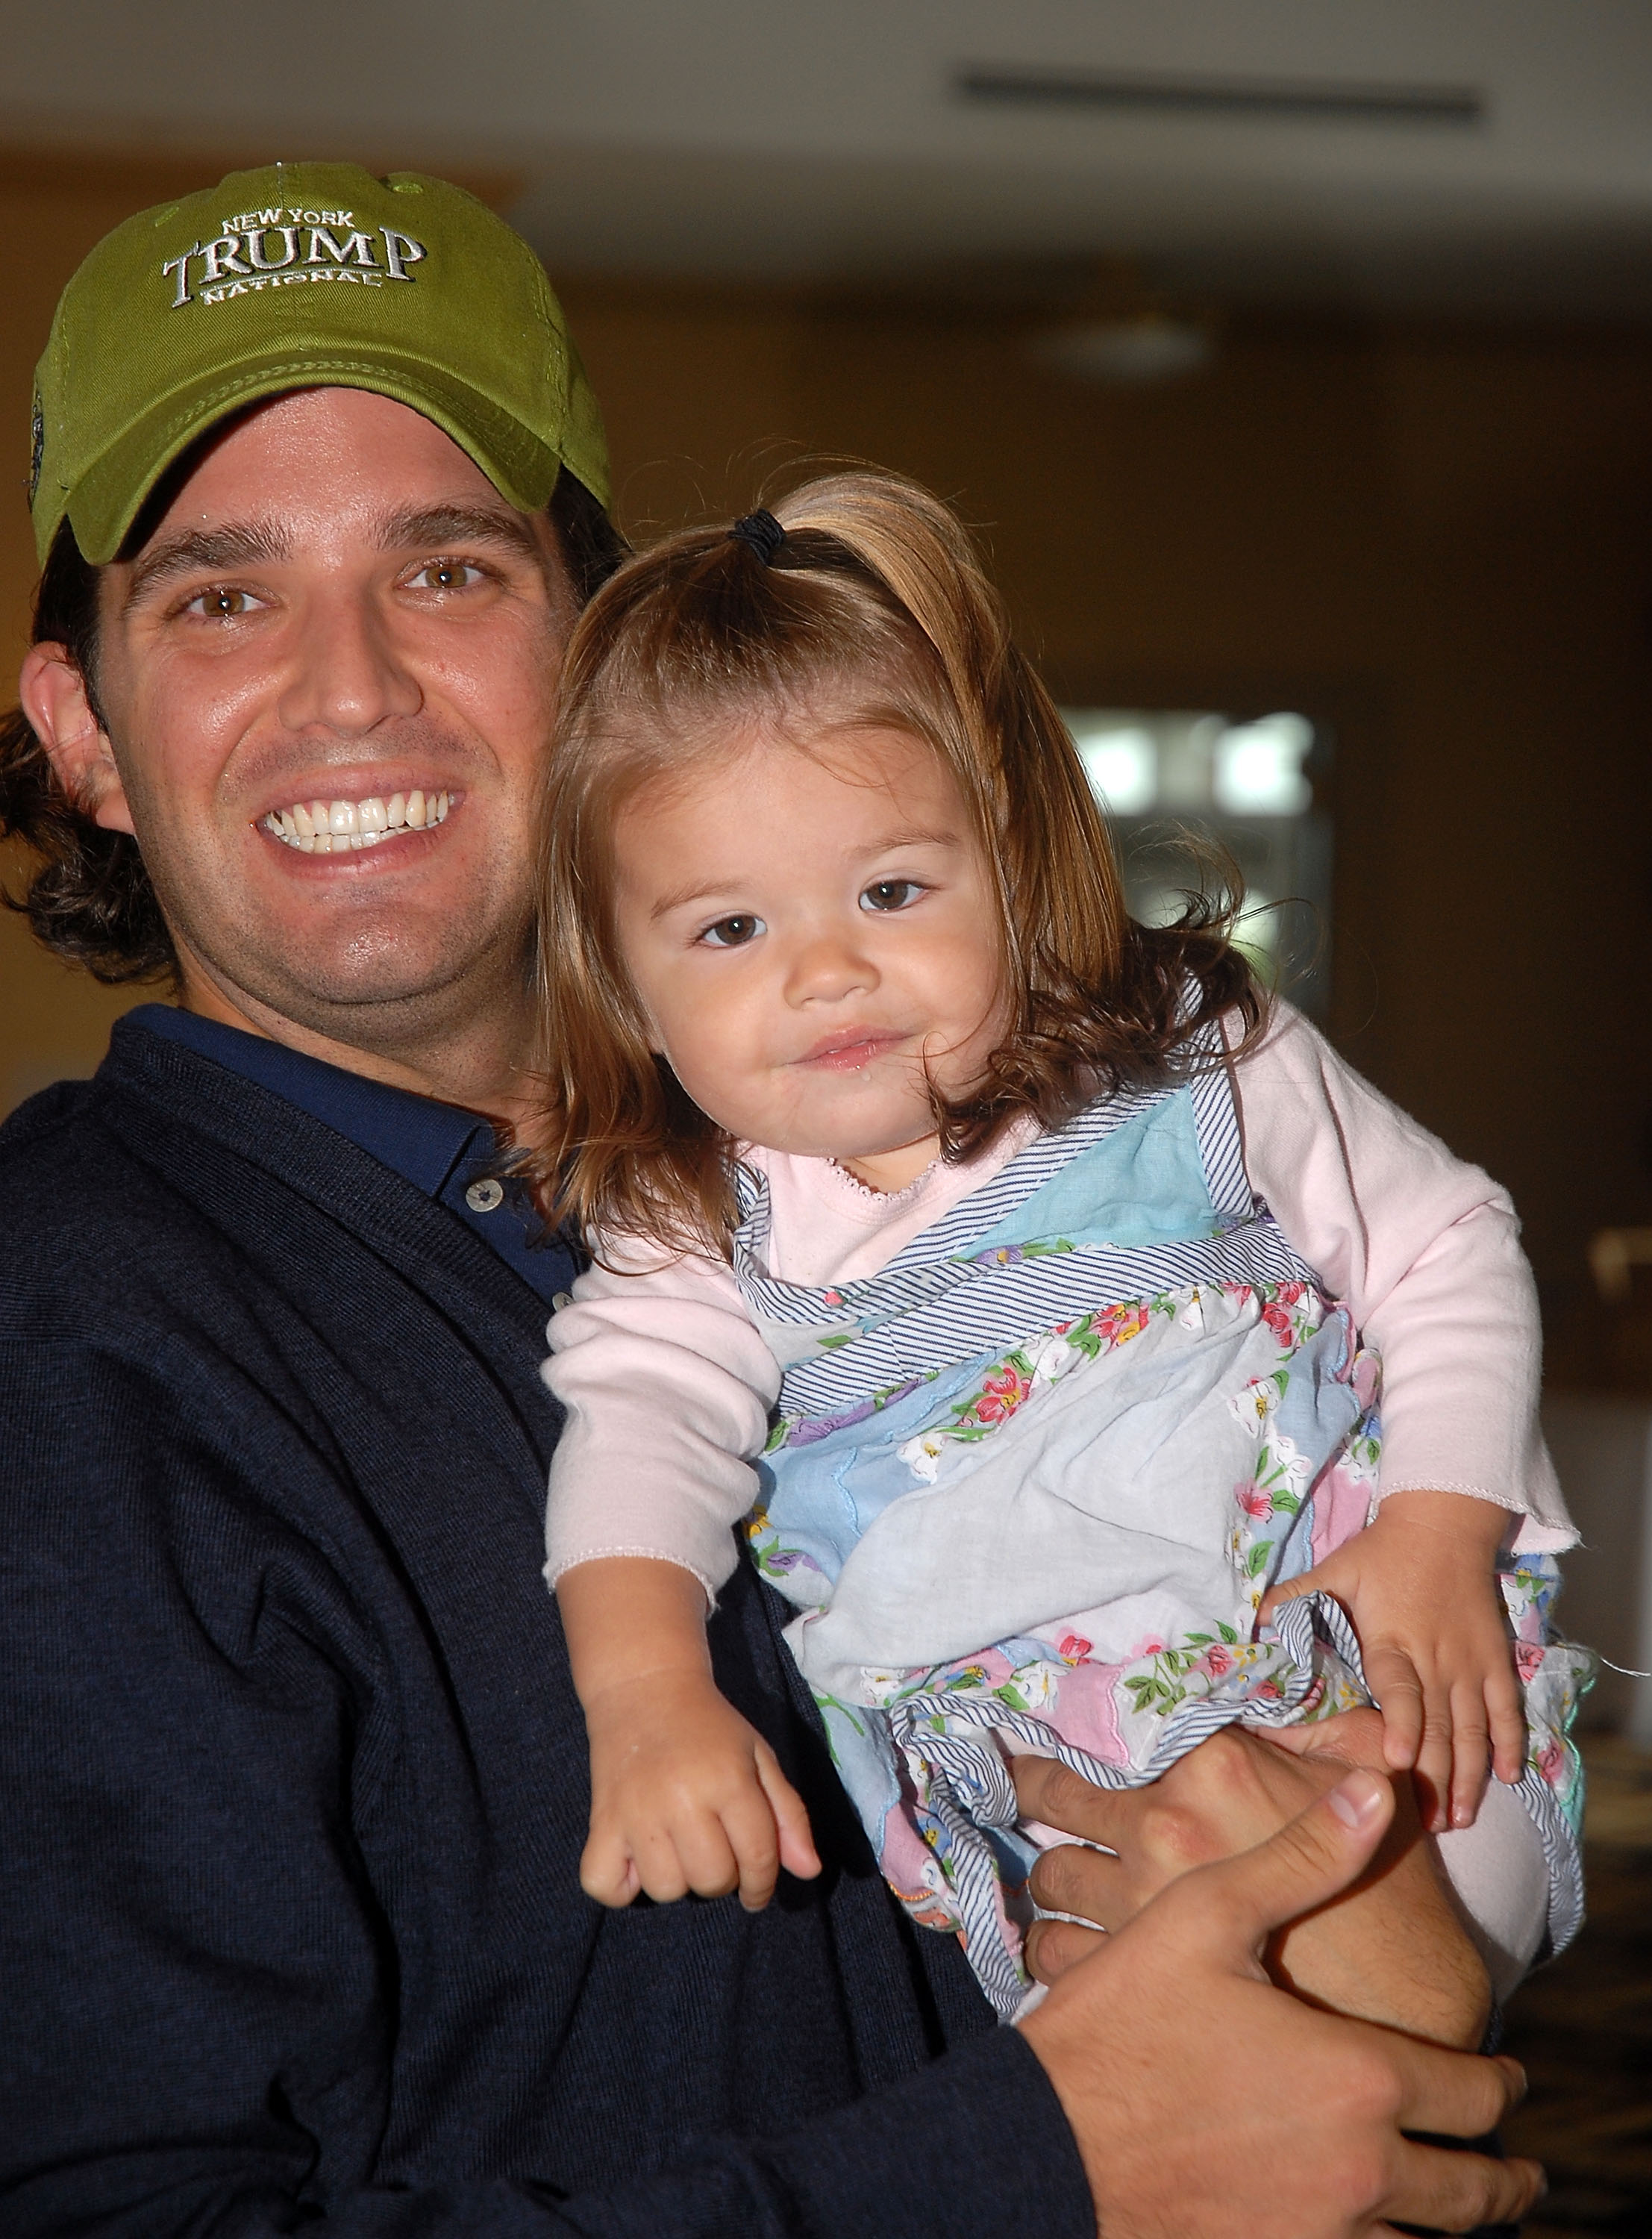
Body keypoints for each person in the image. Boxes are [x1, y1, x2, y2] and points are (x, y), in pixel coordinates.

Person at [0, 162, 1543, 2235]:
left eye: (449, 570)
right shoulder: (66, 1349)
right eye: (220, 594)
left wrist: (1358, 1911)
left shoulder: (862, 1179)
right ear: (81, 732)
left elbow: (1375, 1998)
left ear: (605, 676)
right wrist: (1030, 2172)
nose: (350, 681)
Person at [531, 472, 1586, 2018]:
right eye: (729, 930)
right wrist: (646, 1702)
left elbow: (1447, 1246)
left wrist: (1440, 1529)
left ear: (1011, 859)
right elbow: (636, 1445)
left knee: (1407, 2027)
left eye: (891, 890)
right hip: (1042, 1798)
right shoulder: (691, 1228)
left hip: (1367, 1676)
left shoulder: (1194, 1062)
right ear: (621, 976)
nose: (829, 973)